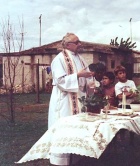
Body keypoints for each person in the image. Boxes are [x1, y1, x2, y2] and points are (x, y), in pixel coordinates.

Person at [48, 33, 93, 165]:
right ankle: (61, 159)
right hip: (65, 100)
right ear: (68, 45)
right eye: (77, 42)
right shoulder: (59, 59)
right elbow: (60, 81)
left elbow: (87, 77)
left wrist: (91, 81)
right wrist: (78, 75)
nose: (80, 44)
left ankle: (77, 156)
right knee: (64, 129)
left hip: (79, 98)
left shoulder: (81, 58)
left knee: (78, 128)